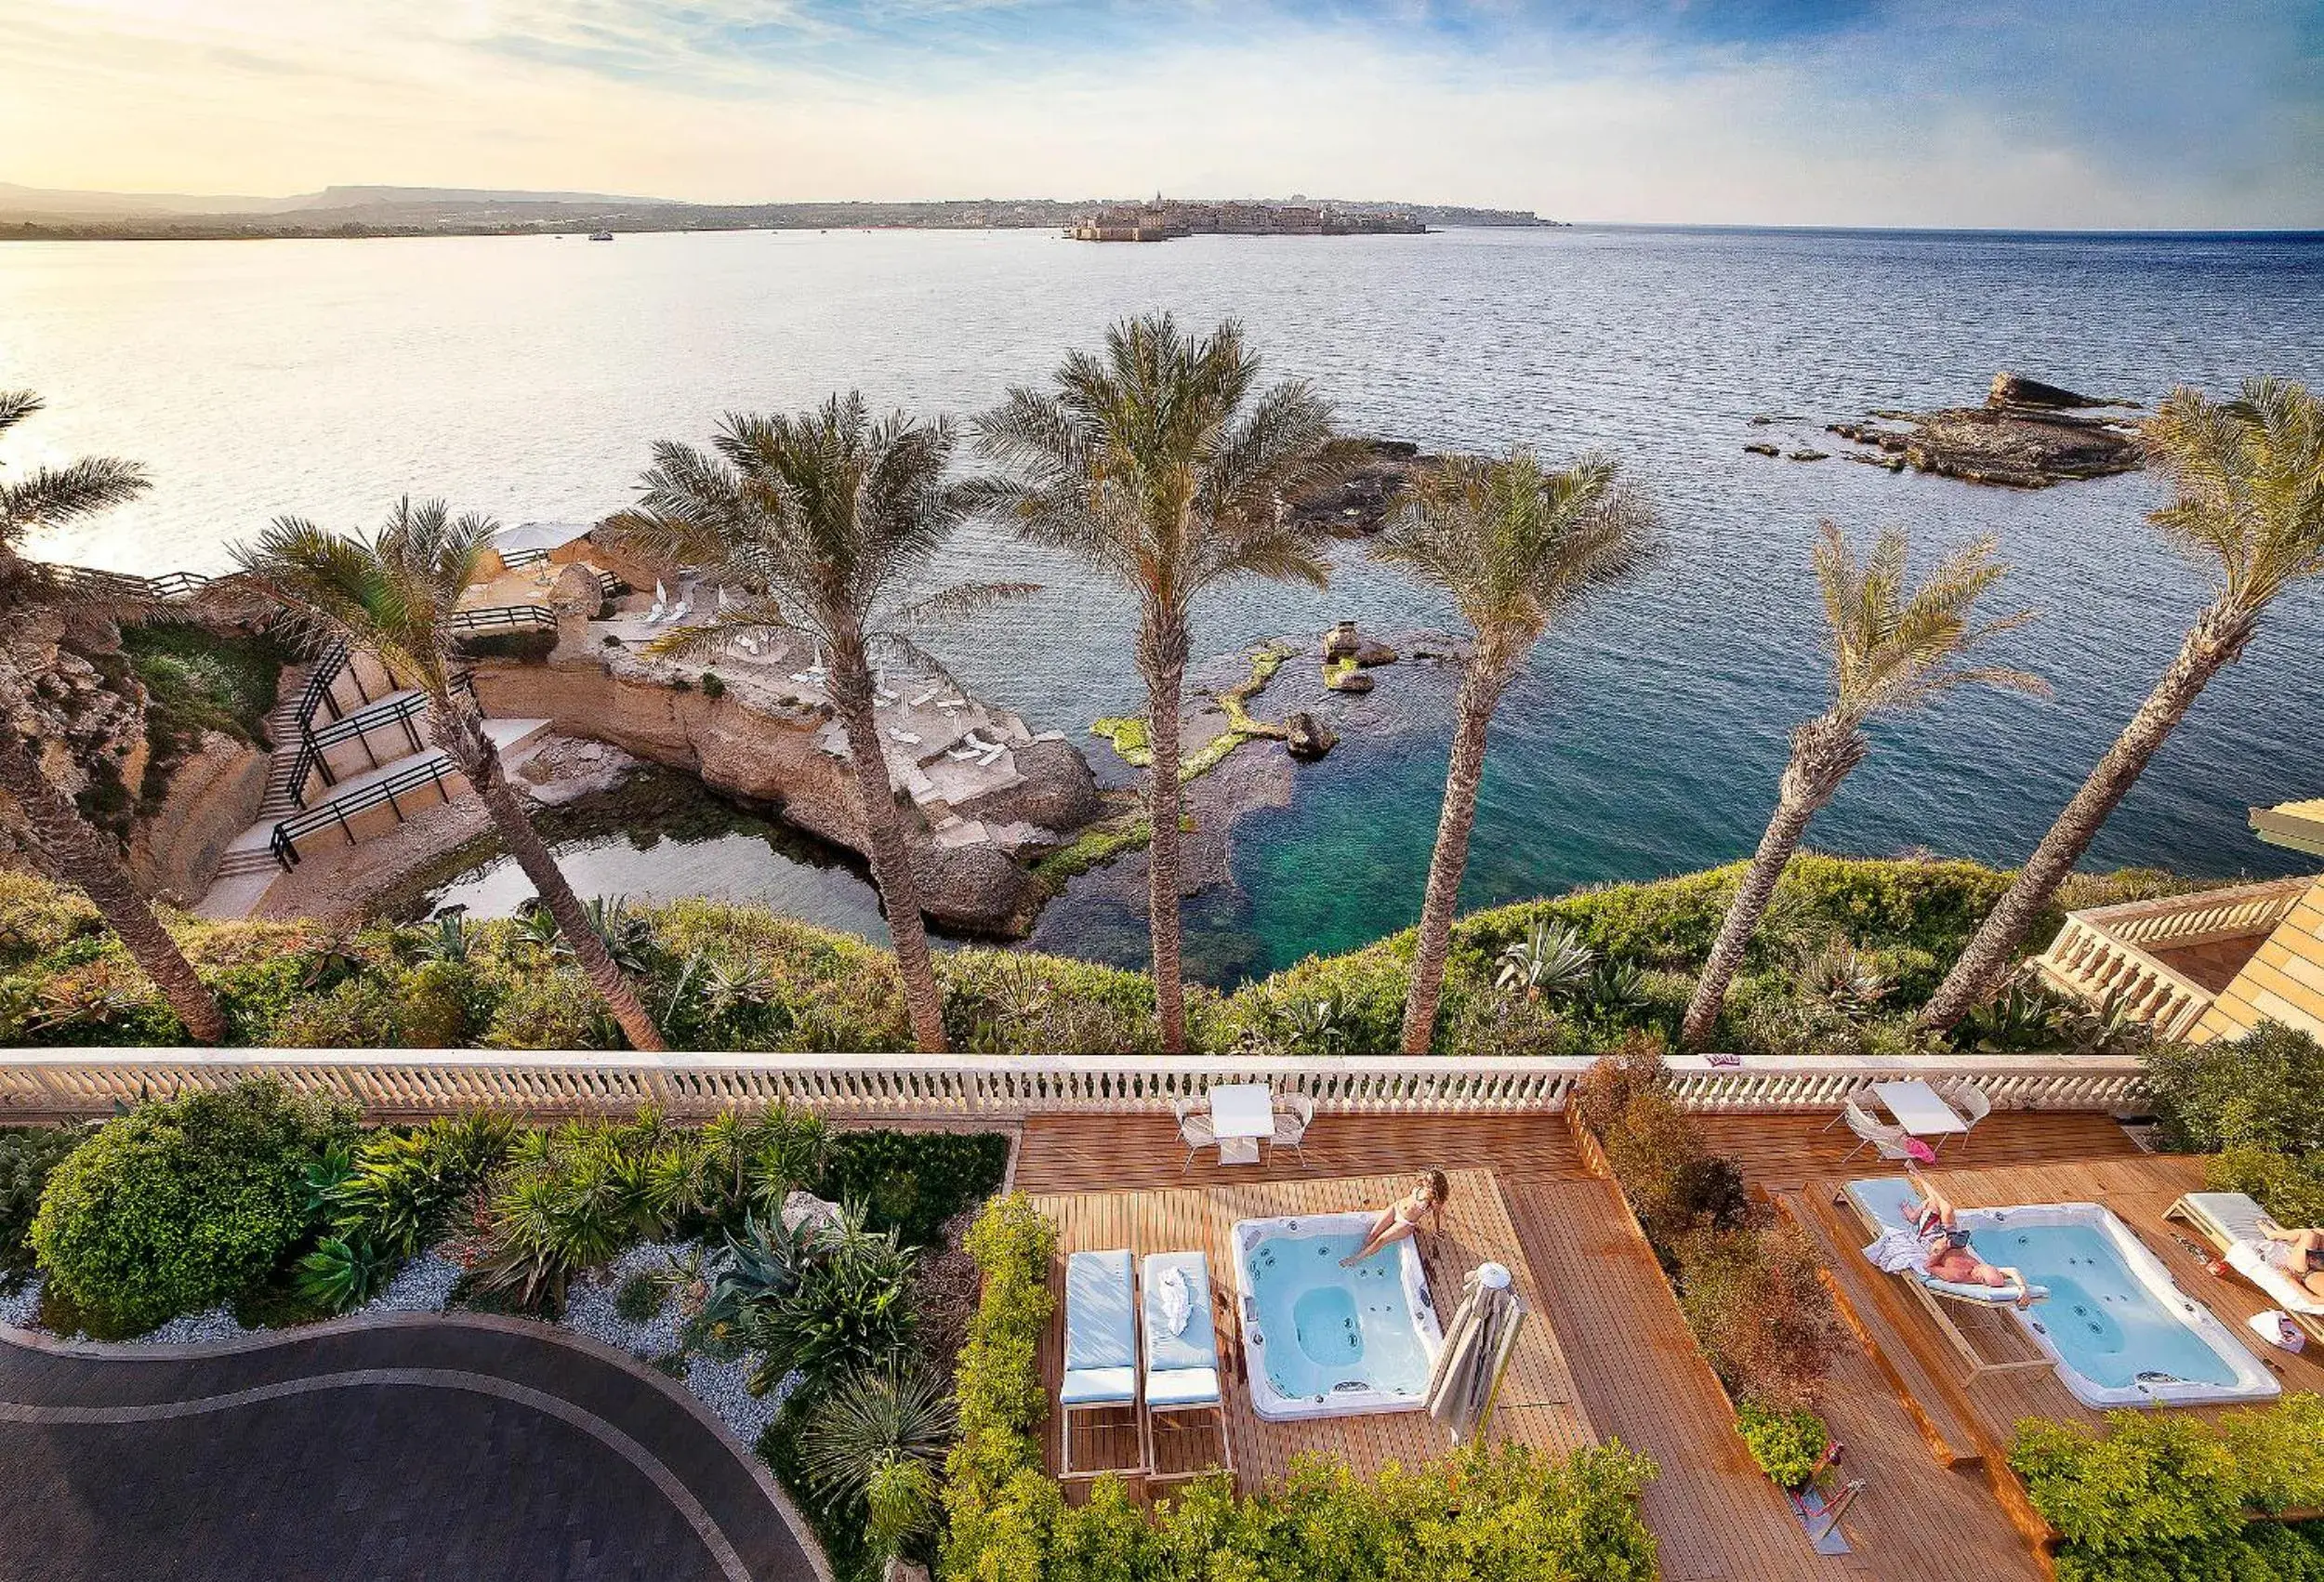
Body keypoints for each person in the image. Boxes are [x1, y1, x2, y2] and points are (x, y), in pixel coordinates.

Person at [1908, 1180, 2041, 1308]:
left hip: (1934, 1241)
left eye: (1981, 1279)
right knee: (1947, 1210)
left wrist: (1945, 1247)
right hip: (1954, 1240)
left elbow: (1928, 1266)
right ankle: (1919, 1181)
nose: (1977, 1274)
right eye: (1981, 1269)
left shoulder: (1957, 1275)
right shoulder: (1987, 1271)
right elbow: (2013, 1271)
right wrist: (2023, 1290)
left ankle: (1917, 1190)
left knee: (1936, 1206)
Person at [1341, 1170, 1449, 1267]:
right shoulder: (1421, 1184)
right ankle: (1360, 1251)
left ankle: (1356, 1259)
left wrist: (1437, 1229)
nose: (1424, 1179)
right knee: (1373, 1234)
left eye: (1427, 1180)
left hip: (1405, 1223)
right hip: (1396, 1208)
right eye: (1426, 1177)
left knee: (1381, 1240)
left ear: (1433, 1186)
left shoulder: (1435, 1201)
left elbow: (1436, 1213)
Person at [2260, 1222, 2324, 1299]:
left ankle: (2274, 1234)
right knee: (2321, 1233)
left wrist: (2289, 1279)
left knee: (2309, 1235)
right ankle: (2287, 1235)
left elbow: (2313, 1299)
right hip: (2319, 1265)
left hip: (2304, 1270)